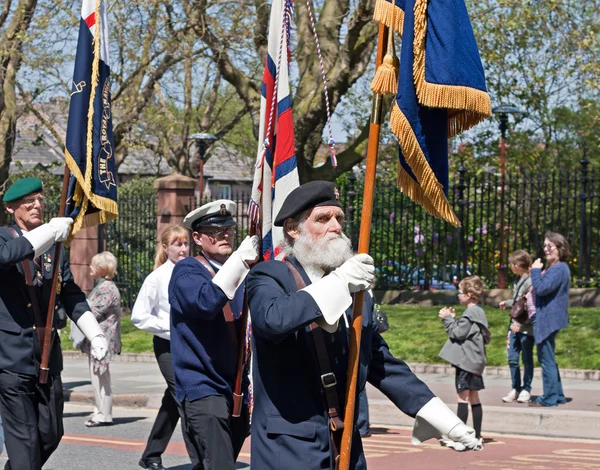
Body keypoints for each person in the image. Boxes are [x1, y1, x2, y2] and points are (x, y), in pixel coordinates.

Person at [246, 181, 482, 470]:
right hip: (289, 447)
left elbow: (381, 363)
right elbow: (273, 319)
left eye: (339, 218)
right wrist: (341, 282)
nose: (336, 227)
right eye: (323, 218)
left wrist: (442, 419)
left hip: (345, 443)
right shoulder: (270, 275)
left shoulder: (356, 294)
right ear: (293, 229)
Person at [0, 177, 108, 470]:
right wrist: (49, 230)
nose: (37, 205)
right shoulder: (4, 238)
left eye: (40, 199)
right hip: (11, 358)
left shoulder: (53, 248)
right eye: (28, 201)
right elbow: (9, 256)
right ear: (11, 208)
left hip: (47, 357)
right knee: (25, 442)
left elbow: (69, 291)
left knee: (50, 434)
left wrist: (94, 333)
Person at [169, 200, 259, 470]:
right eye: (215, 232)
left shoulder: (242, 273)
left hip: (236, 385)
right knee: (220, 464)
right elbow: (205, 303)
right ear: (197, 238)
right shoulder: (187, 271)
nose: (224, 236)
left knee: (217, 462)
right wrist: (240, 262)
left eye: (229, 230)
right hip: (204, 386)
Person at [132, 224, 199, 470]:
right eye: (177, 244)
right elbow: (139, 316)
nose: (183, 249)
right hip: (168, 346)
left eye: (185, 244)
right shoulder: (157, 278)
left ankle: (151, 454)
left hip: (192, 345)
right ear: (165, 247)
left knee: (173, 401)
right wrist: (169, 328)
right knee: (186, 398)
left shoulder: (195, 271)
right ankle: (201, 460)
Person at [438, 275, 491, 447]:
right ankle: (477, 434)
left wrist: (447, 318)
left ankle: (460, 435)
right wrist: (454, 319)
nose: (458, 296)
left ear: (468, 295)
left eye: (460, 292)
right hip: (475, 362)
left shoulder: (470, 313)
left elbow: (457, 333)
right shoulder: (478, 312)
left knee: (462, 398)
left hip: (466, 362)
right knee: (474, 397)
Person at [528, 232, 570, 407]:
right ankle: (557, 394)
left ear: (559, 249)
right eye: (544, 246)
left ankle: (549, 398)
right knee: (549, 358)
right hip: (550, 318)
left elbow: (542, 288)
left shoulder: (559, 268)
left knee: (546, 360)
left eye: (549, 246)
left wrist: (535, 271)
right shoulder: (556, 268)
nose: (545, 249)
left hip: (548, 319)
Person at [80, 251, 121, 427]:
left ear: (103, 268)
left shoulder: (106, 288)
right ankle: (99, 409)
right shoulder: (104, 286)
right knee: (97, 374)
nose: (90, 267)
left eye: (94, 265)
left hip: (103, 341)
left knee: (100, 376)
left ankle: (104, 414)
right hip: (101, 340)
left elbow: (93, 312)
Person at [499, 250, 536, 404]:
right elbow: (518, 303)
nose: (511, 267)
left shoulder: (532, 281)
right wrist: (507, 303)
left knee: (527, 359)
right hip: (513, 326)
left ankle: (526, 388)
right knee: (513, 359)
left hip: (525, 327)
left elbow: (530, 306)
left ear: (519, 265)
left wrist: (519, 323)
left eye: (513, 264)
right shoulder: (518, 280)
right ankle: (516, 388)